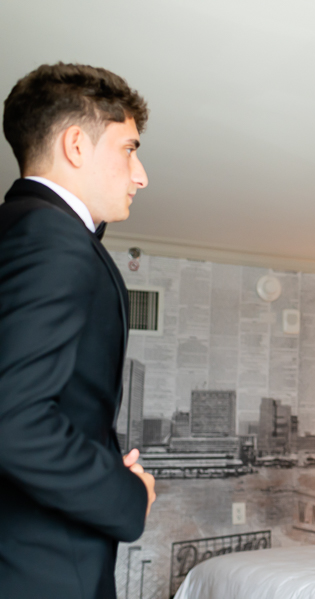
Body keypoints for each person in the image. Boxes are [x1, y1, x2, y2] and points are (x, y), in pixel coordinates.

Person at [0, 63, 156, 599]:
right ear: (75, 145)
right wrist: (126, 492)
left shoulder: (22, 229)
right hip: (39, 570)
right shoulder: (51, 239)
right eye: (129, 149)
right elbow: (12, 420)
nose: (141, 175)